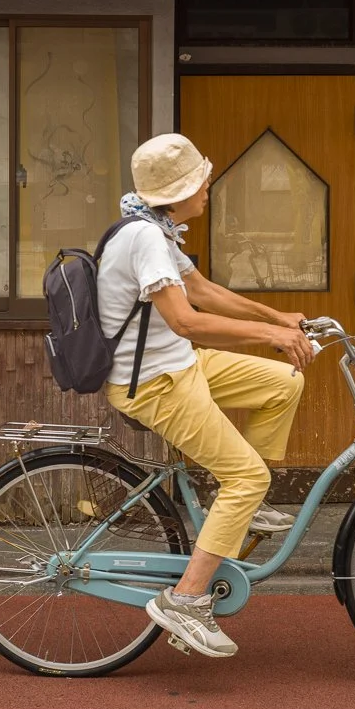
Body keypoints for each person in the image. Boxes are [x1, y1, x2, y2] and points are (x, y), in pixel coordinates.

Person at [96, 133, 317, 659]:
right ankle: (186, 600)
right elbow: (186, 320)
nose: (208, 190)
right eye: (202, 183)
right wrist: (273, 337)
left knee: (284, 382)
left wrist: (277, 317)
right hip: (155, 383)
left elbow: (204, 291)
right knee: (247, 475)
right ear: (180, 191)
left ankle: (241, 506)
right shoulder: (145, 239)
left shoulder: (157, 230)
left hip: (182, 365)